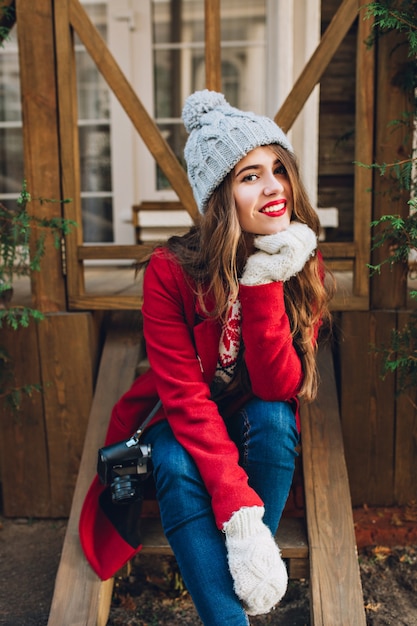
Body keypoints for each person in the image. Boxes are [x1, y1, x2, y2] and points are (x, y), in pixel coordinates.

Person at [80, 90, 333, 625]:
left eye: (278, 169)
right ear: (221, 196)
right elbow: (185, 399)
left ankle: (242, 575)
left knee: (273, 420)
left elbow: (277, 386)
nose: (273, 188)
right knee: (173, 458)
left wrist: (264, 283)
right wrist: (240, 520)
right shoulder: (170, 272)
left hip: (252, 418)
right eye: (249, 176)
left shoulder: (297, 256)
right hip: (183, 419)